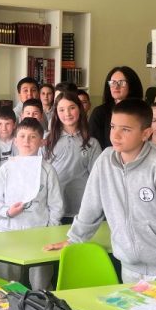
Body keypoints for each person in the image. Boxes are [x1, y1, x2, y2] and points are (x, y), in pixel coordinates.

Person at [45, 99, 156, 285]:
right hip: (129, 268)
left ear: (146, 133)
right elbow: (90, 206)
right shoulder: (105, 161)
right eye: (113, 127)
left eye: (126, 129)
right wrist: (74, 239)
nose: (116, 135)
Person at [0, 117, 63, 290]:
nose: (26, 141)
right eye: (22, 136)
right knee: (6, 283)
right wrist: (7, 212)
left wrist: (49, 231)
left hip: (39, 235)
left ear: (42, 141)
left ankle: (41, 304)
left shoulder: (47, 170)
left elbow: (56, 205)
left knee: (41, 284)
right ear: (15, 140)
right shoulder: (7, 168)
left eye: (32, 137)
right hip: (9, 233)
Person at [44, 92, 101, 223]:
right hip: (52, 209)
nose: (67, 113)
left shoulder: (92, 143)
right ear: (56, 113)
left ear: (80, 109)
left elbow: (96, 179)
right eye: (61, 110)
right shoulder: (46, 140)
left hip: (81, 209)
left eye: (72, 108)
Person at [88, 66, 143, 149]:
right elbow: (94, 147)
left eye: (121, 82)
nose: (116, 86)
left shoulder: (142, 111)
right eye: (113, 82)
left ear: (131, 85)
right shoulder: (99, 112)